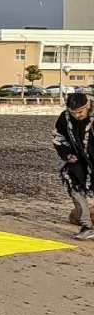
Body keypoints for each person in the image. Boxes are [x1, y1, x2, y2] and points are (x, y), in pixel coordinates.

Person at [54, 93, 94, 240]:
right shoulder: (65, 118)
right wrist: (67, 154)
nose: (77, 116)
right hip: (80, 160)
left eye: (80, 112)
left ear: (87, 106)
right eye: (73, 113)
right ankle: (86, 226)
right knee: (73, 183)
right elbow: (58, 136)